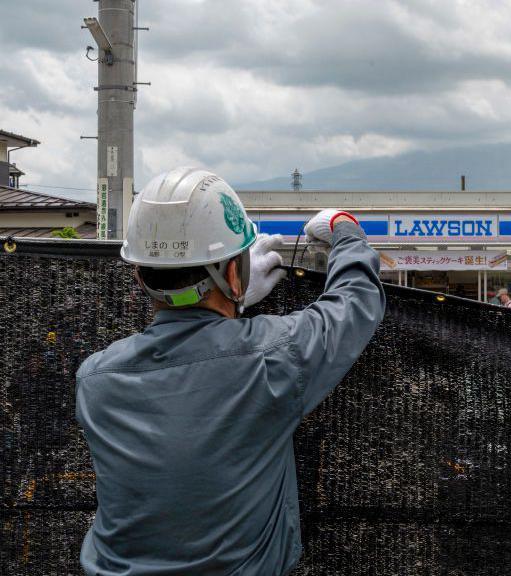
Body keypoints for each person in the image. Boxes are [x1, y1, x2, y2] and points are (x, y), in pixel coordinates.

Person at [75, 167, 386, 576]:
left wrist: (230, 299)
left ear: (138, 274)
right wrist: (344, 230)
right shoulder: (272, 358)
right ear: (235, 272)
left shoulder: (94, 380)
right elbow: (355, 303)